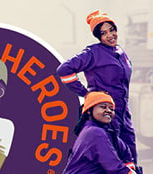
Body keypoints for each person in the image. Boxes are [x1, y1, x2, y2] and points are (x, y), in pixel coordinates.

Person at [56, 10, 138, 164]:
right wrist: (86, 94)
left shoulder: (120, 52)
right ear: (98, 37)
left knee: (129, 152)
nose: (110, 35)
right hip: (104, 111)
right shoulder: (93, 53)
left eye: (112, 30)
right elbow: (64, 70)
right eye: (103, 33)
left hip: (123, 111)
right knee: (111, 154)